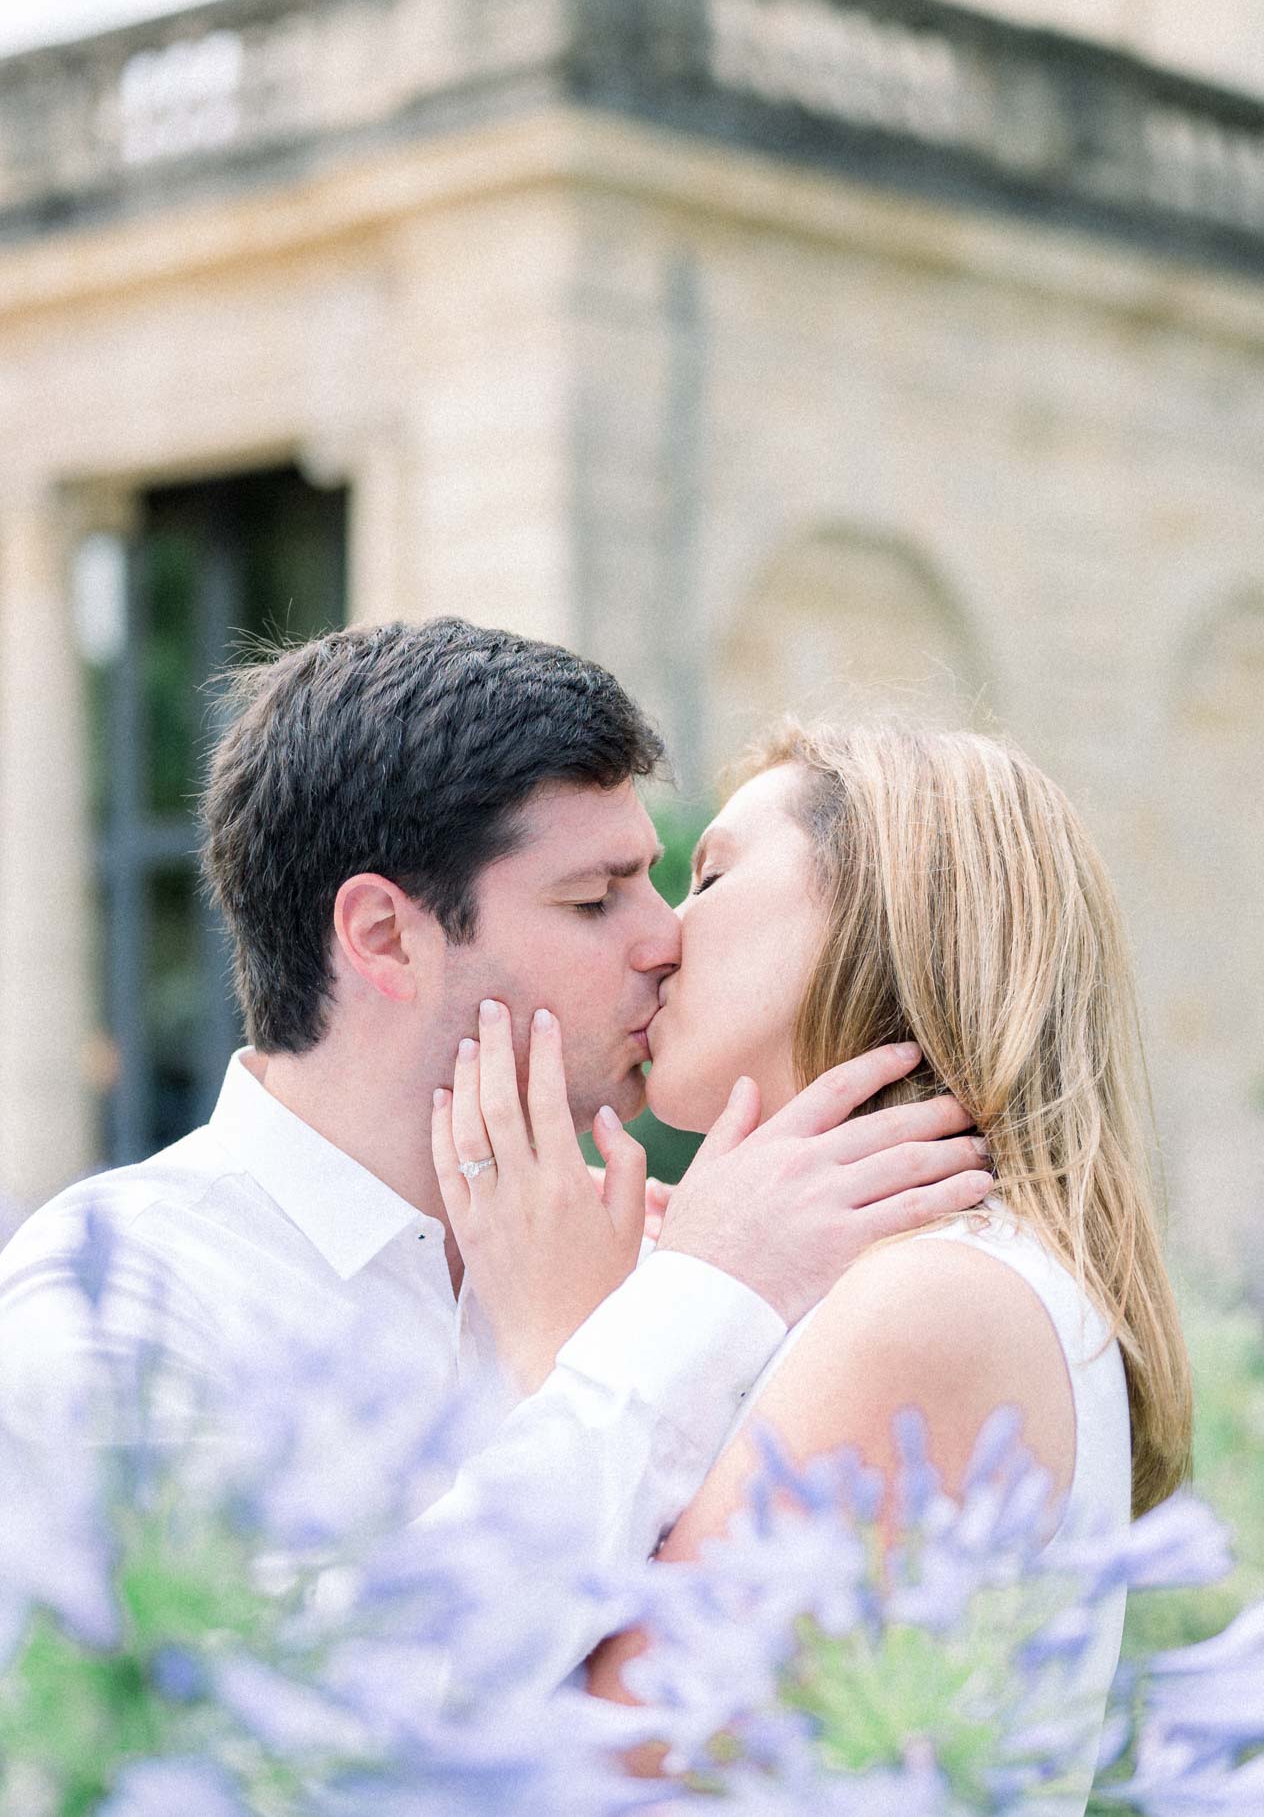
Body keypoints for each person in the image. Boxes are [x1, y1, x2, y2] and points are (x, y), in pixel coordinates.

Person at [0, 621, 991, 1693]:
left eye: (658, 881)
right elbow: (288, 1719)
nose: (665, 938)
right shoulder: (121, 1300)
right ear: (384, 936)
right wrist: (693, 1313)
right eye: (592, 898)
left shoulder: (662, 1255)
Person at [551, 720, 1186, 1807]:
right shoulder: (925, 1279)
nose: (658, 938)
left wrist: (552, 1334)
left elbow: (576, 1770)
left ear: (880, 905)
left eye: (708, 875)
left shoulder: (934, 1295)